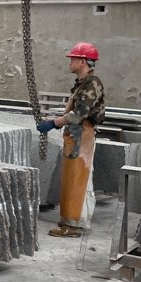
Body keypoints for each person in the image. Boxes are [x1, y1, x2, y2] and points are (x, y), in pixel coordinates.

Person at [36, 42, 105, 238]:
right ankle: (69, 222)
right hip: (75, 133)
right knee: (70, 178)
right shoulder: (81, 83)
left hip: (81, 133)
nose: (70, 62)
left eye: (73, 59)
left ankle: (74, 226)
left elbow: (79, 114)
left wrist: (54, 123)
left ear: (83, 62)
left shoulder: (92, 84)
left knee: (77, 179)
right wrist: (57, 121)